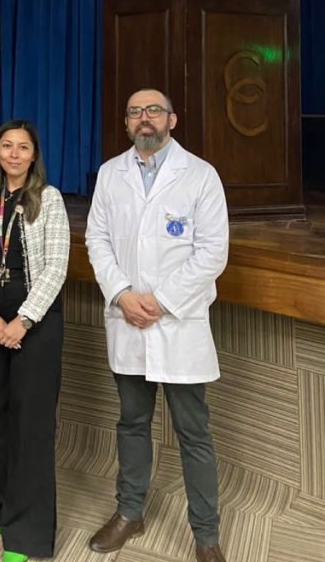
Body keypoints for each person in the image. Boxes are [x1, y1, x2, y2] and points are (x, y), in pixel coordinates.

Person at [85, 89, 229, 562]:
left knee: (193, 433)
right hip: (127, 319)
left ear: (172, 119)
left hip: (179, 324)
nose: (143, 119)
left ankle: (206, 536)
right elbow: (97, 240)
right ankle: (130, 513)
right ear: (126, 123)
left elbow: (212, 253)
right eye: (134, 112)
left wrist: (161, 301)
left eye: (153, 111)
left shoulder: (201, 176)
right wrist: (122, 295)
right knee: (132, 422)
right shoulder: (111, 174)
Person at [0, 119, 70, 562]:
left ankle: (26, 535)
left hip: (36, 324)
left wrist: (22, 321)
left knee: (31, 424)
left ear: (34, 154)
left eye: (23, 147)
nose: (14, 154)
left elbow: (56, 266)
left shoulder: (50, 199)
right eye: (7, 146)